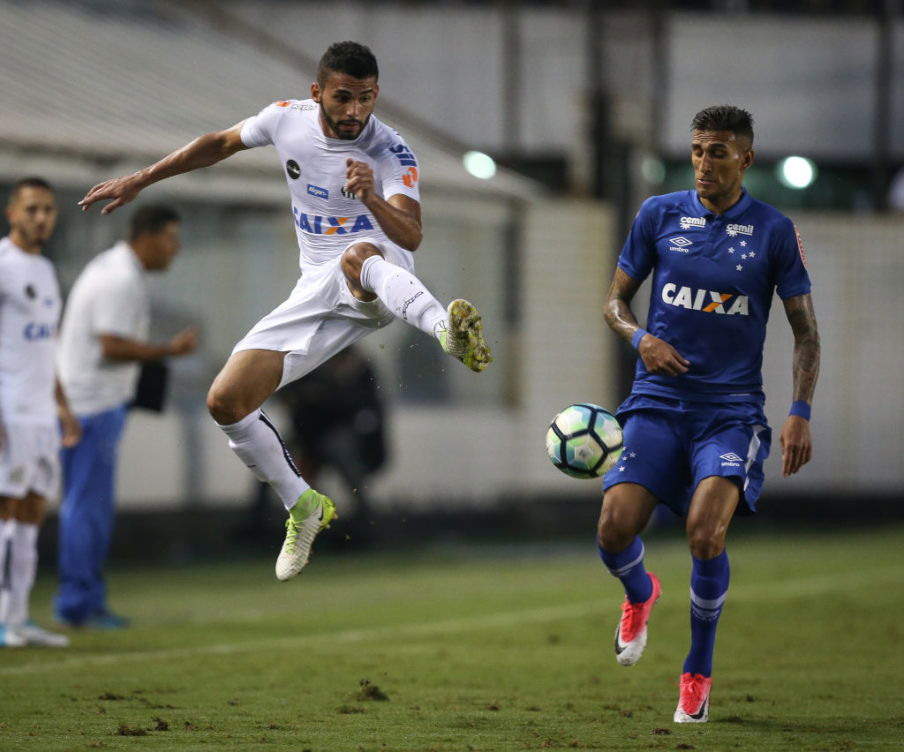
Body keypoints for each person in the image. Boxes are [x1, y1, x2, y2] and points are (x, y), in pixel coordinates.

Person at [78, 41, 492, 581]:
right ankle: (302, 505)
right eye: (343, 98)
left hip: (381, 274)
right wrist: (141, 178)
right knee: (226, 400)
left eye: (365, 99)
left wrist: (369, 198)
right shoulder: (284, 120)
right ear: (316, 92)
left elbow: (411, 232)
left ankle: (446, 329)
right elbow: (219, 144)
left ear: (376, 94)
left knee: (357, 255)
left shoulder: (392, 151)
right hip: (313, 288)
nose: (354, 111)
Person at [596, 105, 820, 723]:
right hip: (657, 404)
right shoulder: (658, 215)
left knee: (704, 533)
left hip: (730, 413)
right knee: (613, 530)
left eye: (717, 151)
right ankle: (641, 593)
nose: (703, 163)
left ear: (745, 159)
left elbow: (805, 333)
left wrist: (799, 411)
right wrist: (640, 339)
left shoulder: (774, 230)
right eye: (696, 150)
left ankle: (696, 669)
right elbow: (615, 302)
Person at [54, 205, 198, 628]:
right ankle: (78, 603)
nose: (177, 249)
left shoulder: (115, 269)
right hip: (90, 407)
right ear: (149, 237)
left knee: (87, 506)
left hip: (89, 402)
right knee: (86, 508)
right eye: (172, 239)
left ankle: (84, 599)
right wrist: (167, 352)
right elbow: (110, 346)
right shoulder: (120, 278)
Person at [0, 177, 81, 648]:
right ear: (12, 212)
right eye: (31, 209)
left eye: (48, 209)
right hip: (9, 408)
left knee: (31, 513)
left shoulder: (46, 271)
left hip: (40, 414)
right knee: (7, 513)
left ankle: (19, 617)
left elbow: (46, 349)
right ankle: (3, 618)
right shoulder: (4, 265)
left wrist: (64, 409)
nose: (40, 217)